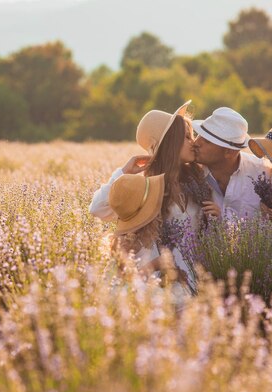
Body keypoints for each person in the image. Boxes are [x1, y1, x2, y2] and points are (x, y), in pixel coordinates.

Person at [90, 100, 210, 293]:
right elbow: (98, 209)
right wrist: (123, 172)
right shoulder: (146, 187)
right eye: (187, 137)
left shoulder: (197, 180)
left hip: (194, 281)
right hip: (161, 285)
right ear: (170, 144)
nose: (193, 142)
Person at [191, 107, 272, 220]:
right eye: (198, 135)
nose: (196, 143)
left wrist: (223, 218)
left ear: (229, 152)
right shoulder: (190, 174)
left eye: (207, 141)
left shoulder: (263, 172)